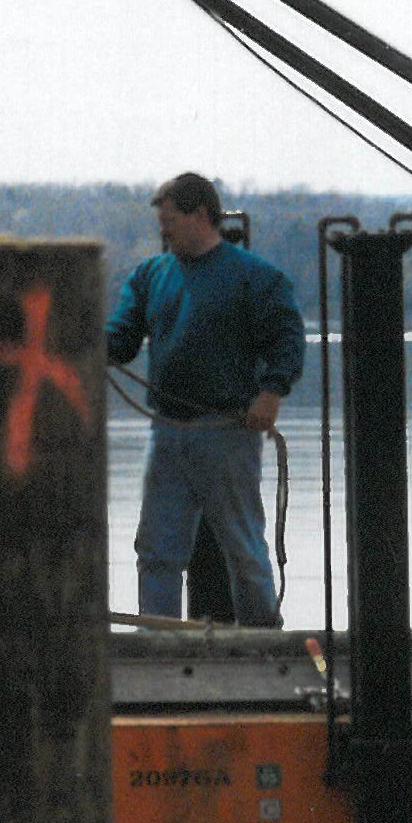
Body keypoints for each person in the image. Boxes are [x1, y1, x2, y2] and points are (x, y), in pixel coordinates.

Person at [106, 172, 303, 624]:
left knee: (244, 548)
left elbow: (287, 338)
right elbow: (120, 339)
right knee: (156, 549)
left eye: (170, 221)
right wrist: (78, 339)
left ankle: (262, 640)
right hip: (167, 432)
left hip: (228, 432)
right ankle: (161, 643)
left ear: (199, 215)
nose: (164, 231)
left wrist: (271, 392)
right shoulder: (150, 276)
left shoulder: (254, 277)